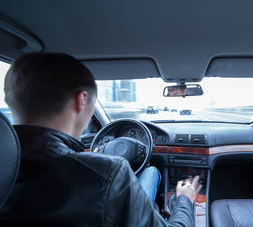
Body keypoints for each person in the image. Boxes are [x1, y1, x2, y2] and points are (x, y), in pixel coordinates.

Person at [0, 52, 201, 226]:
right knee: (151, 172)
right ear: (82, 100)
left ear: (9, 98)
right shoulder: (109, 173)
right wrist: (184, 200)